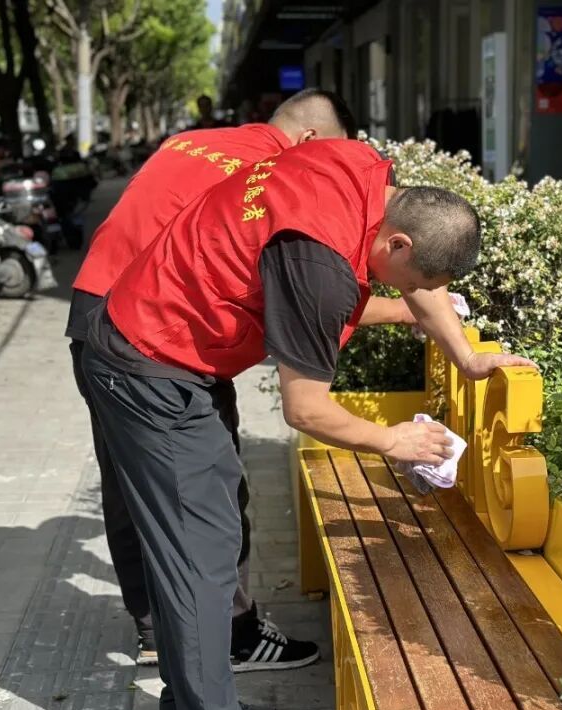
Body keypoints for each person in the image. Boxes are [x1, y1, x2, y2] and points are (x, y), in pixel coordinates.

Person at [80, 138, 535, 710]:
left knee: (209, 544)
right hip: (151, 367)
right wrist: (393, 442)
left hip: (170, 347)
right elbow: (307, 409)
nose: (413, 296)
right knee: (202, 559)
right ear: (398, 242)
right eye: (409, 282)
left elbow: (425, 288)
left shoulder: (357, 168)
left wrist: (467, 357)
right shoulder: (319, 266)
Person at [67, 90, 413, 675]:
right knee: (212, 495)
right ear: (309, 141)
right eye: (329, 156)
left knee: (129, 480)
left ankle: (156, 632)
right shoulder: (280, 173)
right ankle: (231, 636)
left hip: (96, 309)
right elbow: (299, 299)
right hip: (166, 332)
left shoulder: (192, 142)